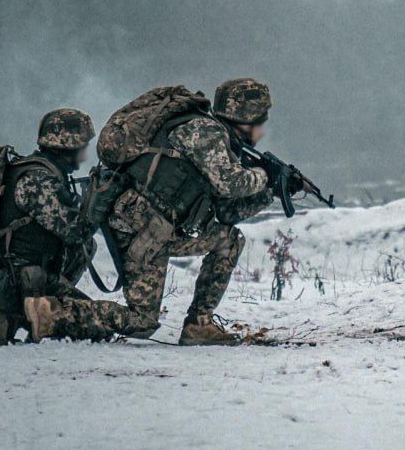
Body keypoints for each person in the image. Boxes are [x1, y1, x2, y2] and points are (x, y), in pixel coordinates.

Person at [24, 78, 291, 346]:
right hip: (142, 228)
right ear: (246, 119)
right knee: (142, 322)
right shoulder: (204, 131)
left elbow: (228, 211)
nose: (261, 132)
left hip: (156, 228)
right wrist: (267, 176)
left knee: (229, 239)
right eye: (260, 123)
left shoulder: (215, 141)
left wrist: (273, 192)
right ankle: (51, 312)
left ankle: (199, 324)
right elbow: (231, 182)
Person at [0, 108, 100, 344]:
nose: (84, 155)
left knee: (88, 247)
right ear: (67, 145)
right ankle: (28, 311)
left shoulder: (39, 172)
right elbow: (74, 232)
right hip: (15, 280)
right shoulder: (38, 180)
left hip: (15, 275)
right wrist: (101, 201)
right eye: (82, 146)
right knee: (99, 323)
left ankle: (32, 310)